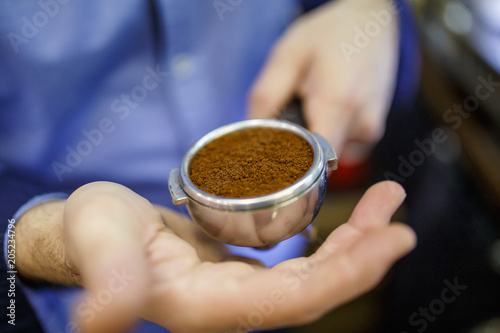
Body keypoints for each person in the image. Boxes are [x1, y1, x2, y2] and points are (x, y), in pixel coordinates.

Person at [0, 0, 419, 332]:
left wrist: (373, 12)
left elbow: (347, 22)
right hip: (66, 297)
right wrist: (37, 231)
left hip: (288, 266)